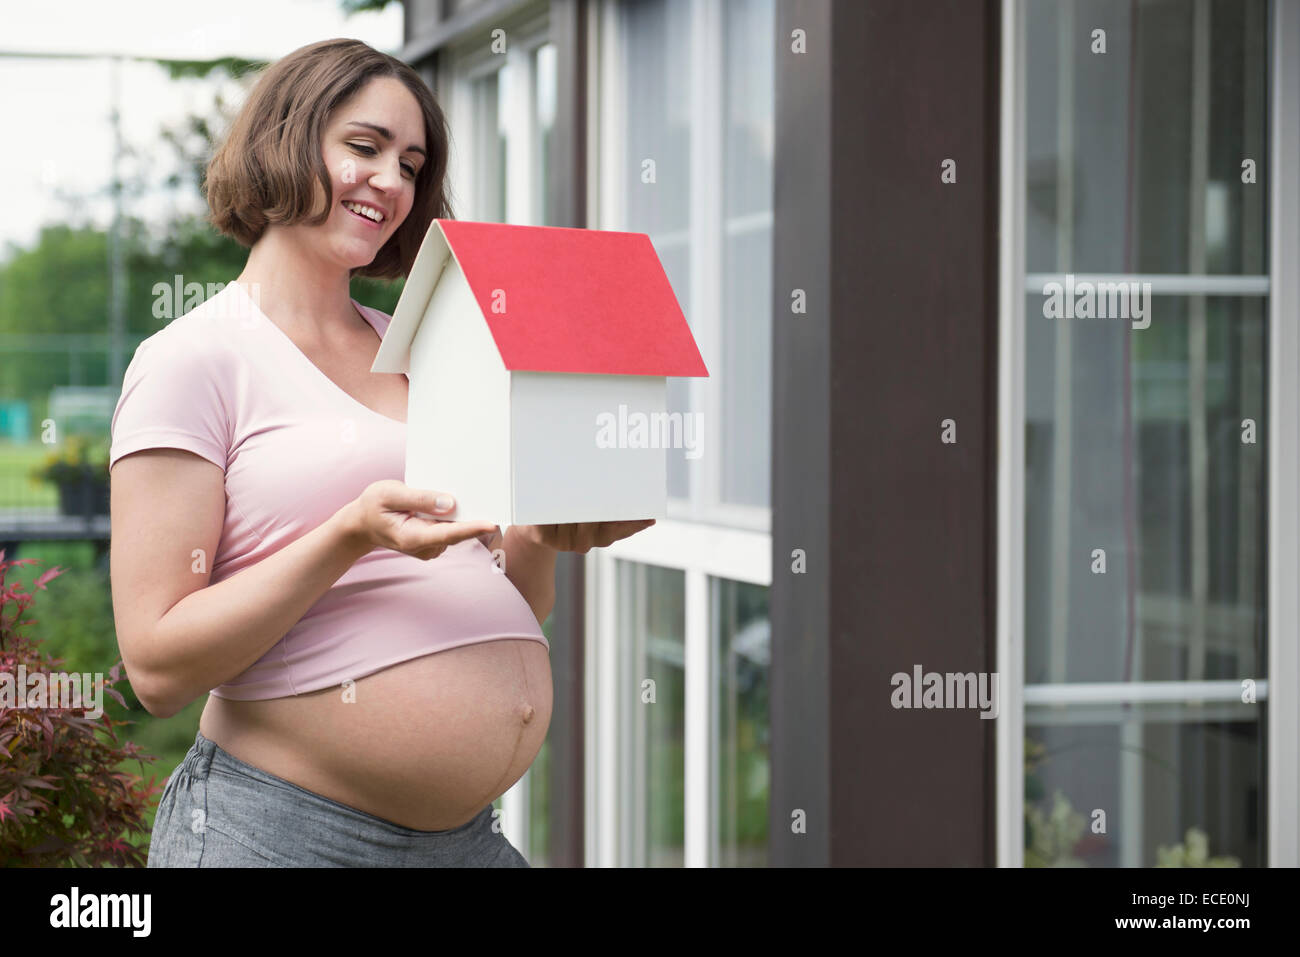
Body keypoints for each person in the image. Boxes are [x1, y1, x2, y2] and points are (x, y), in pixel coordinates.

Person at [108, 37, 654, 867]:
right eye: (363, 148)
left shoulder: (425, 347)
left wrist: (541, 535)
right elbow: (154, 666)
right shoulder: (194, 360)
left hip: (467, 844)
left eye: (411, 163)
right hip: (285, 837)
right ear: (284, 140)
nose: (392, 182)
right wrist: (346, 535)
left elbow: (497, 594)